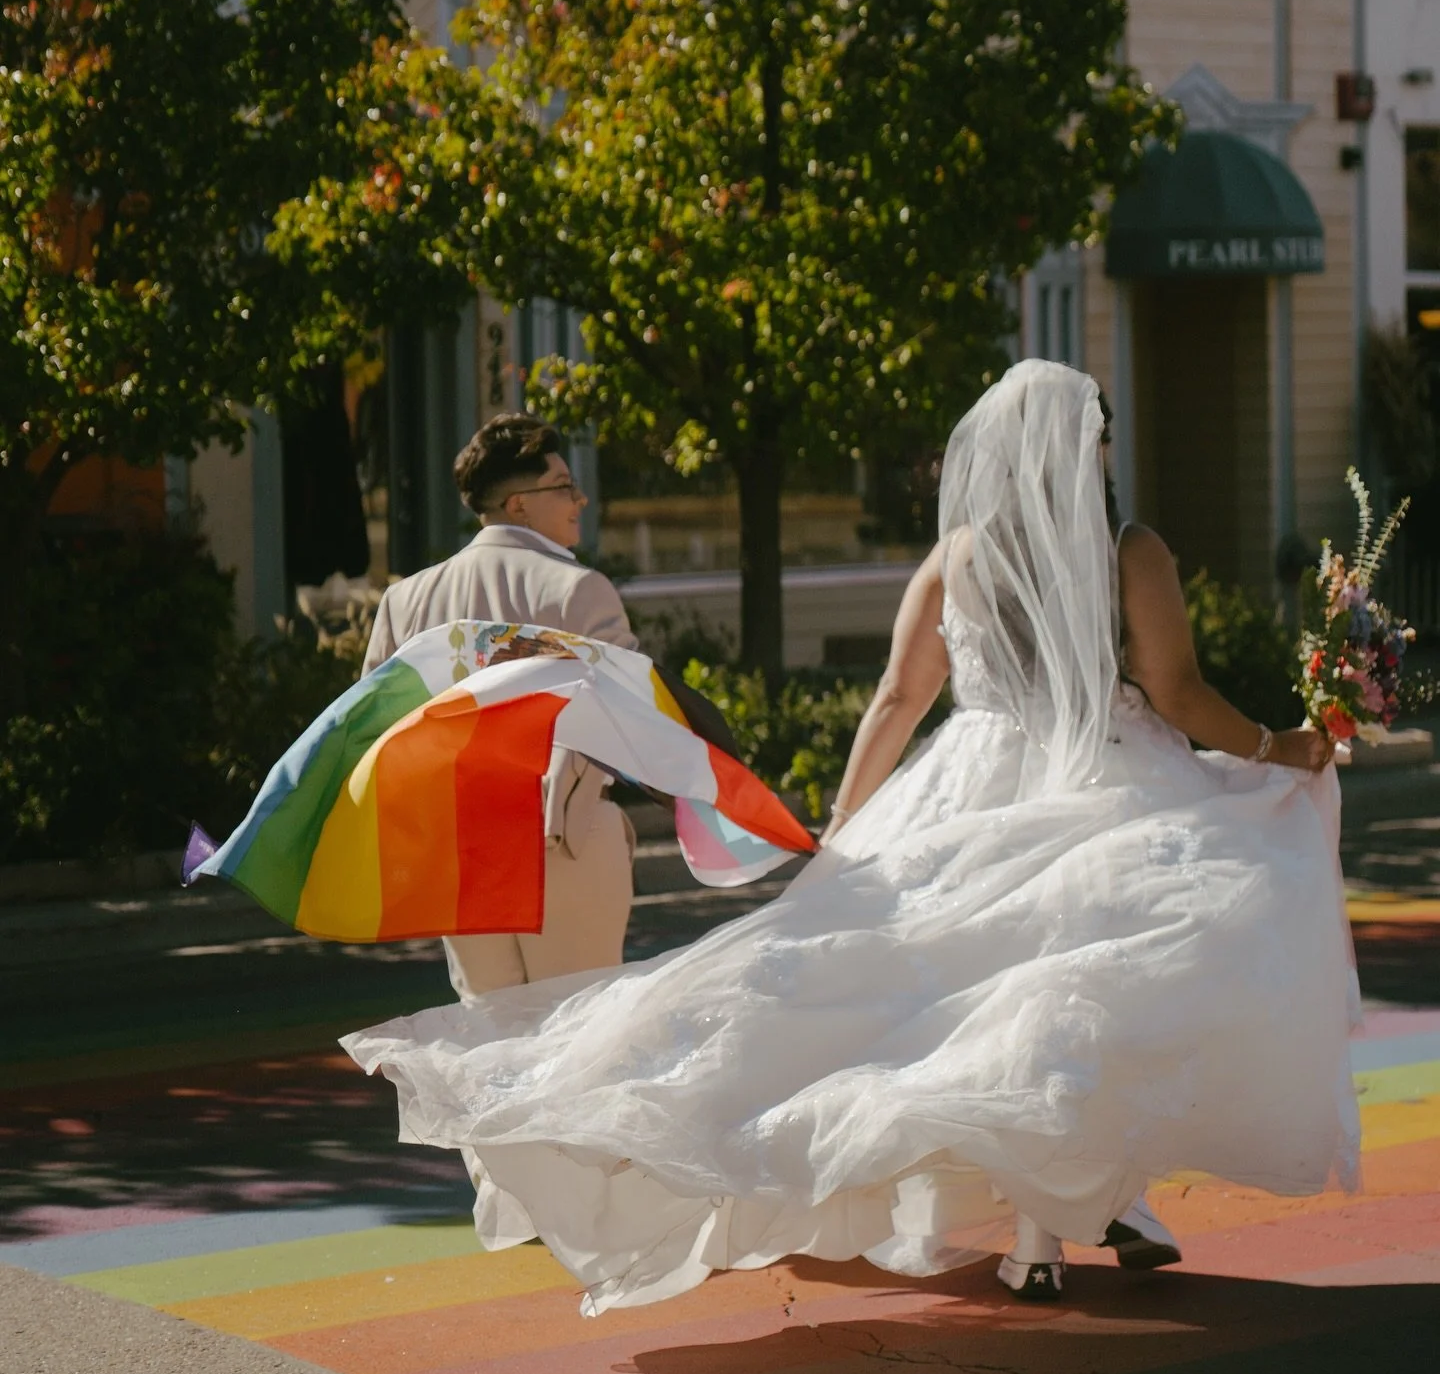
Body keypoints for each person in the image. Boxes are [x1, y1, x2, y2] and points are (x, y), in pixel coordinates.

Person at [346, 362, 1358, 1314]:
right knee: (1087, 995)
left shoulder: (960, 557)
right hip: (1108, 771)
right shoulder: (1130, 549)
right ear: (1081, 447)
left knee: (981, 1004)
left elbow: (898, 699)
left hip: (974, 778)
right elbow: (1176, 695)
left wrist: (846, 828)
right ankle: (1073, 1217)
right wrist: (1281, 747)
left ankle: (1061, 1231)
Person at [363, 413, 638, 999]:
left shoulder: (405, 599)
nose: (579, 499)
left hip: (458, 847)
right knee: (579, 1037)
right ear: (519, 505)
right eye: (563, 486)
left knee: (490, 1041)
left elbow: (375, 737)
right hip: (563, 835)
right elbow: (632, 713)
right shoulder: (575, 588)